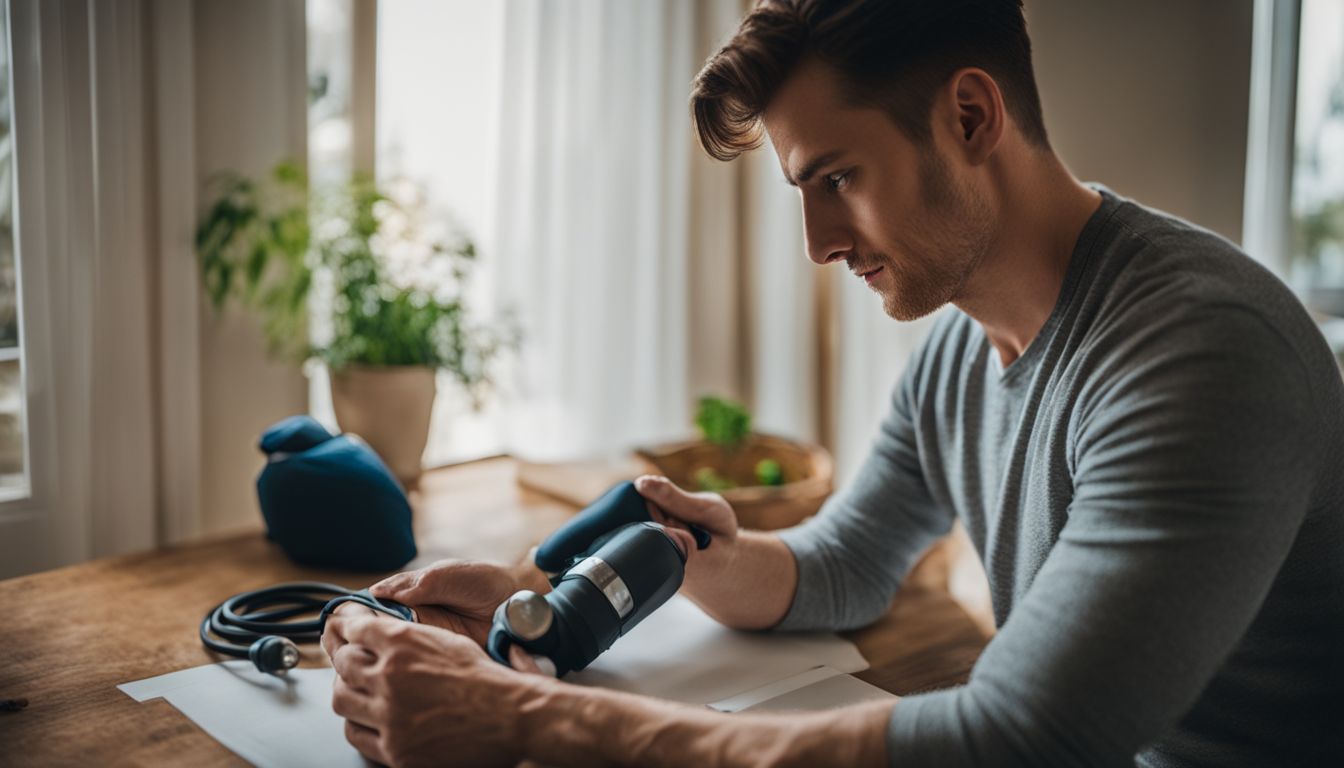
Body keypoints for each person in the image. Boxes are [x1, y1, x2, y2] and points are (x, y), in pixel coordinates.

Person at [320, 1, 1344, 765]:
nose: (816, 243)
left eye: (838, 180)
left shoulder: (1201, 353)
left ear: (973, 117)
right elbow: (850, 561)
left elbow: (1029, 738)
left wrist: (528, 717)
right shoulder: (958, 346)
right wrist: (566, 600)